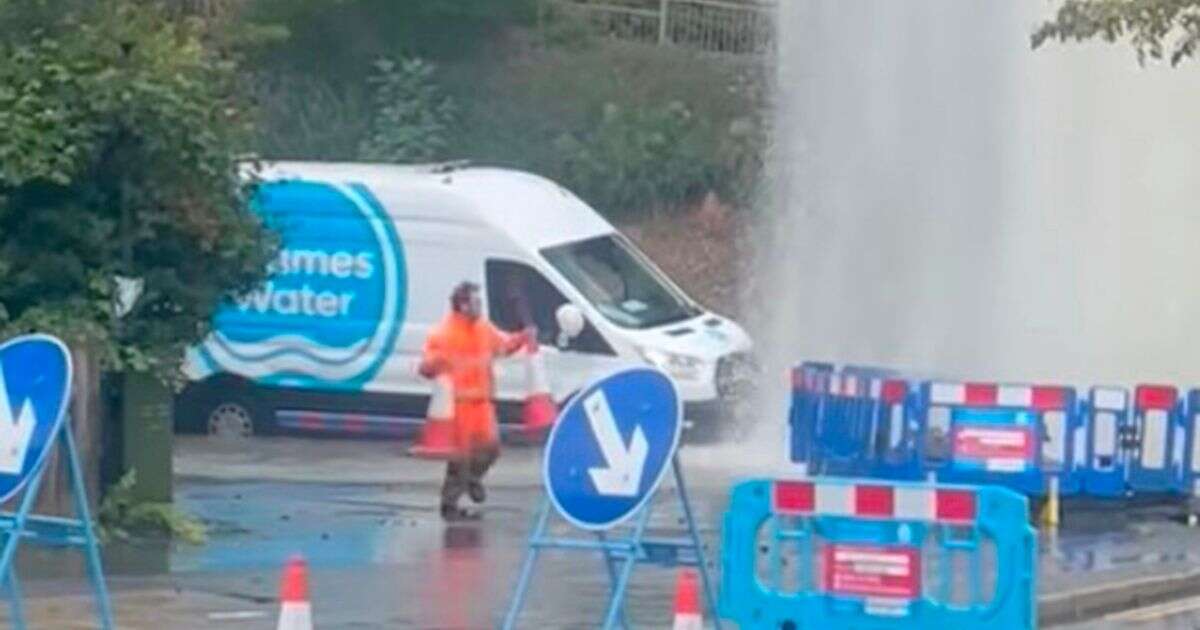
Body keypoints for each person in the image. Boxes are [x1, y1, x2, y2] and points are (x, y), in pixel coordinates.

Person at [420, 281, 532, 521]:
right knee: (459, 459)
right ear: (462, 306)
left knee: (490, 450)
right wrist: (433, 364)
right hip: (458, 405)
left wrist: (522, 339)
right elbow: (426, 367)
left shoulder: (484, 329)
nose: (480, 306)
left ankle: (472, 479)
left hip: (482, 403)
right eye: (476, 302)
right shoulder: (443, 334)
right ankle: (449, 504)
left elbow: (503, 347)